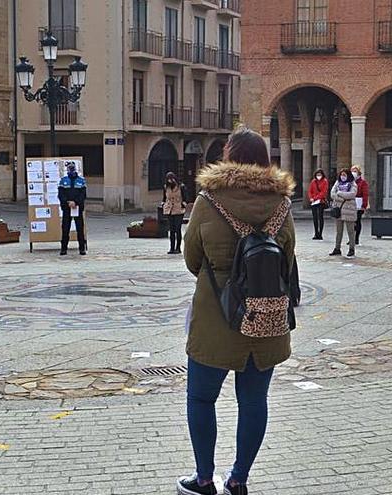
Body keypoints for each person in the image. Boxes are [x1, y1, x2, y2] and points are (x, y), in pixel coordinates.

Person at [179, 128, 296, 495]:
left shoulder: (209, 200)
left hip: (217, 315)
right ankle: (238, 479)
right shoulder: (282, 204)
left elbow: (192, 258)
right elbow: (287, 261)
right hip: (267, 316)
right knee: (253, 400)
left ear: (228, 156)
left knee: (201, 398)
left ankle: (203, 479)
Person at [58, 162, 87, 255]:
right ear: (67, 169)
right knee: (65, 229)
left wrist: (75, 202)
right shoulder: (63, 180)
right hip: (67, 208)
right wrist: (68, 202)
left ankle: (82, 248)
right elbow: (60, 194)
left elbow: (83, 195)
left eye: (72, 168)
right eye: (69, 168)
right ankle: (63, 249)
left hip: (77, 208)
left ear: (75, 169)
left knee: (80, 229)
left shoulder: (81, 180)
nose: (71, 170)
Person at [329, 168, 358, 258]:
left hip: (349, 210)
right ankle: (337, 248)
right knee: (339, 231)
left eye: (344, 175)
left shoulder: (353, 184)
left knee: (350, 231)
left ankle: (351, 249)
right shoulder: (337, 182)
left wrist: (340, 193)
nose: (343, 176)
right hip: (339, 209)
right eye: (341, 175)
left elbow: (352, 194)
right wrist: (343, 196)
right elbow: (332, 194)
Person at [163, 172, 187, 254]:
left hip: (178, 209)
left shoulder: (181, 186)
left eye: (171, 179)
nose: (170, 181)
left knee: (177, 229)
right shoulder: (166, 187)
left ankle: (178, 248)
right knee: (172, 230)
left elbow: (185, 197)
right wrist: (164, 204)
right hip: (169, 209)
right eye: (168, 179)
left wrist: (183, 204)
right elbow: (164, 198)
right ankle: (171, 248)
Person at [307, 169, 329, 240]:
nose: (318, 176)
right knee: (315, 218)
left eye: (320, 175)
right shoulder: (313, 181)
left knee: (320, 217)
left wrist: (315, 198)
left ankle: (320, 234)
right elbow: (310, 190)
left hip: (321, 201)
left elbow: (323, 192)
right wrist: (311, 198)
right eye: (317, 175)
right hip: (313, 202)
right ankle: (316, 233)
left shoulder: (325, 181)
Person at [351, 165, 369, 245]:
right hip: (351, 203)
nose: (353, 173)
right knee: (351, 222)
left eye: (355, 171)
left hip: (359, 203)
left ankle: (356, 238)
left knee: (357, 221)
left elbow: (365, 194)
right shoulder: (350, 182)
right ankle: (351, 238)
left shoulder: (363, 182)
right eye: (352, 171)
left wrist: (364, 205)